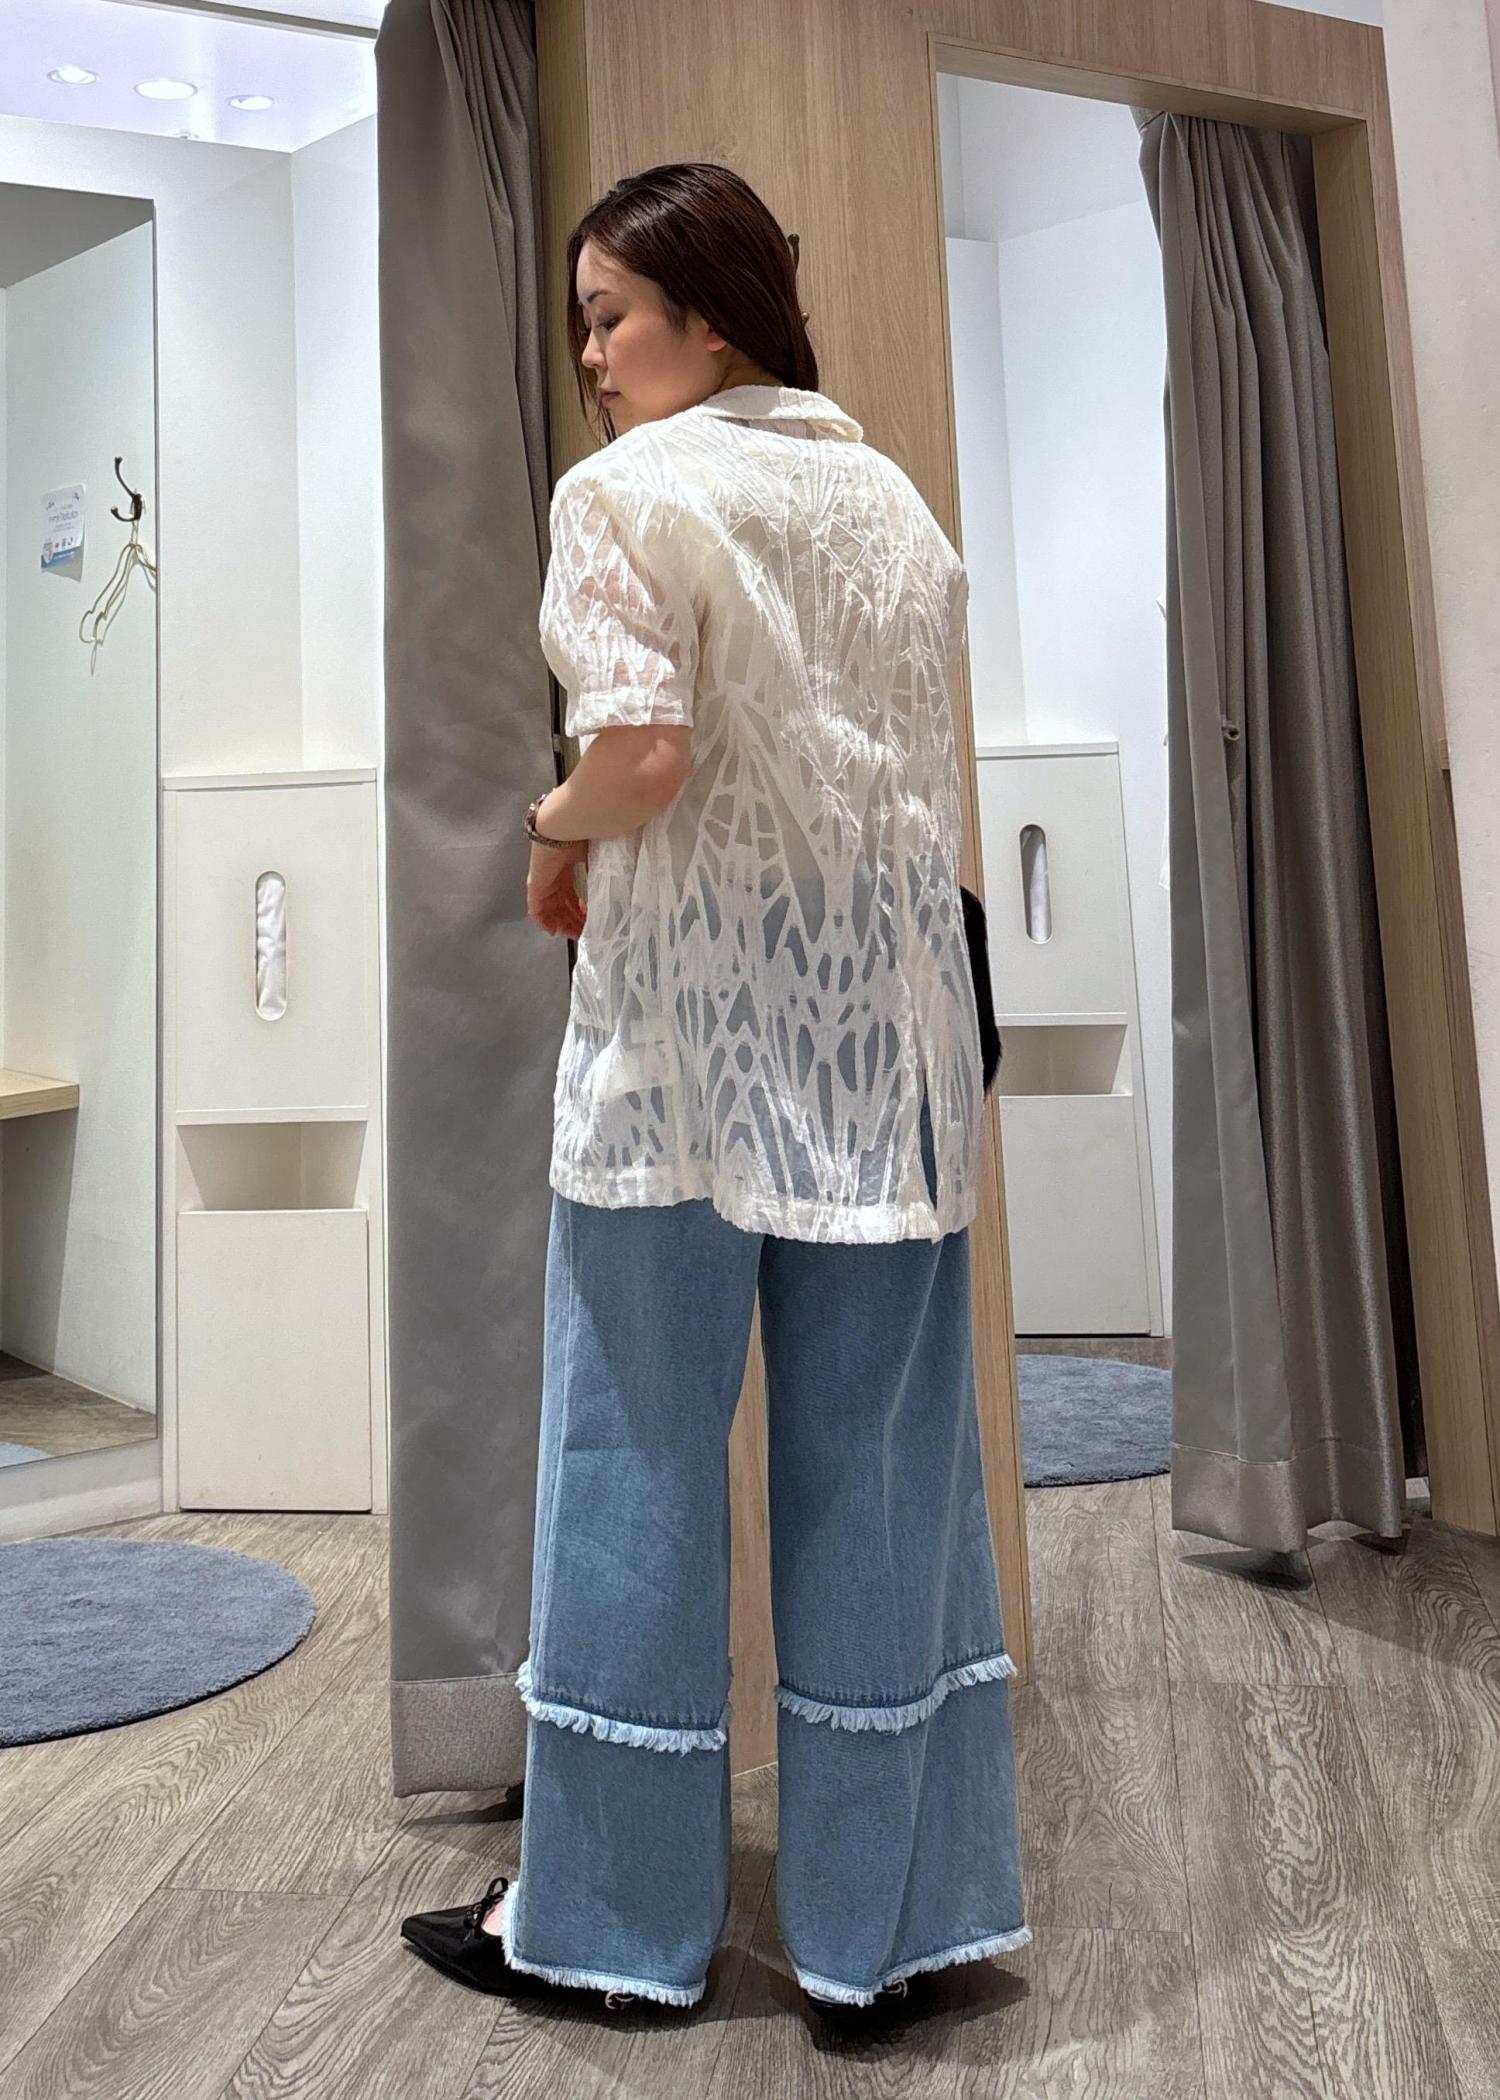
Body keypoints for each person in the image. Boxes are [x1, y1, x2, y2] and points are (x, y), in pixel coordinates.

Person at [400, 160, 1028, 2021]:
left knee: (634, 1470)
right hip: (887, 1052)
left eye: (611, 316)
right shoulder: (890, 499)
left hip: (682, 1059)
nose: (590, 356)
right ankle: (879, 1938)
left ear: (714, 314)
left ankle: (611, 1932)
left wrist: (549, 829)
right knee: (885, 1483)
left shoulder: (625, 491)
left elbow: (648, 754)